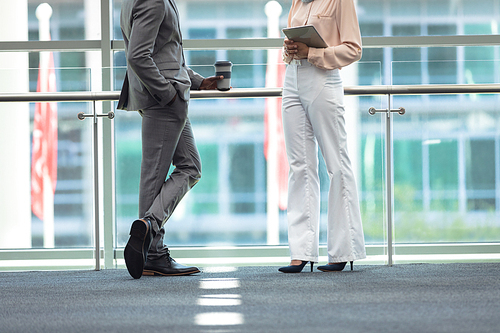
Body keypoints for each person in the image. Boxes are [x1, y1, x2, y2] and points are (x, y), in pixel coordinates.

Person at [117, 0, 223, 279]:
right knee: (154, 174)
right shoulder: (152, 1)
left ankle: (150, 234)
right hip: (163, 100)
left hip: (167, 97)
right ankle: (152, 250)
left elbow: (164, 54)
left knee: (190, 167)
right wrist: (169, 95)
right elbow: (139, 56)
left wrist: (199, 81)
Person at [279, 0, 366, 273]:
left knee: (336, 164)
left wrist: (313, 52)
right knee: (299, 166)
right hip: (292, 78)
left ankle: (343, 250)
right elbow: (295, 44)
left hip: (323, 79)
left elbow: (354, 48)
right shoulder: (296, 2)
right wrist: (291, 50)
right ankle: (301, 252)